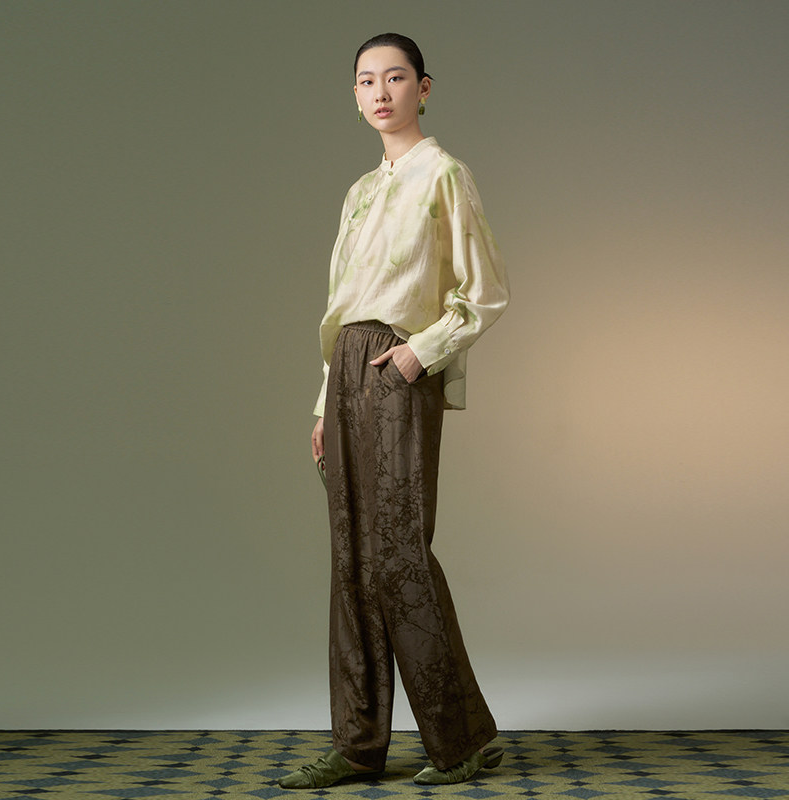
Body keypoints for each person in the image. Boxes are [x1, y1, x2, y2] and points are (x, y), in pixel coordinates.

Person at [279, 32, 510, 790]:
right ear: (354, 96)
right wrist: (325, 403)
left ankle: (462, 739)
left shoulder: (444, 174)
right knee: (351, 559)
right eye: (366, 80)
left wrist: (420, 353)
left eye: (396, 77)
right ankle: (358, 746)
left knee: (398, 552)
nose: (380, 91)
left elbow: (483, 292)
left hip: (397, 364)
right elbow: (339, 306)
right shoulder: (358, 192)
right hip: (347, 366)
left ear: (424, 88)